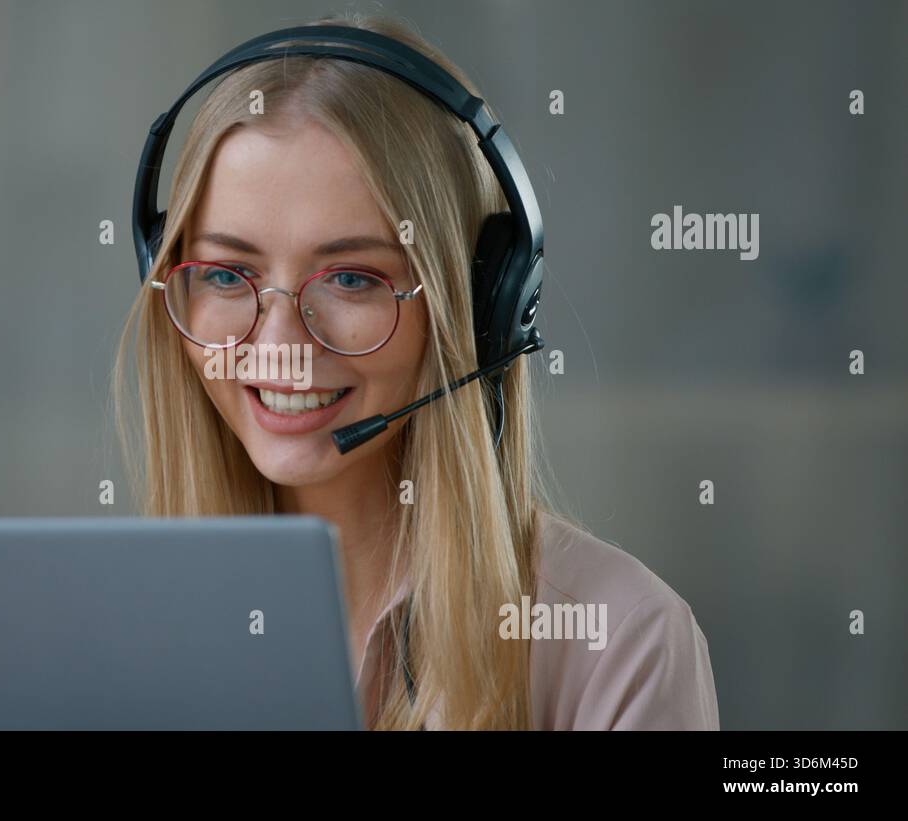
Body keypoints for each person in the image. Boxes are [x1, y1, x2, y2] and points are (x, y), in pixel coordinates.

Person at [115, 13, 718, 730]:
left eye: (350, 279)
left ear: (481, 305)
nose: (276, 342)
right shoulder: (120, 636)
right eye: (224, 273)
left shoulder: (621, 641)